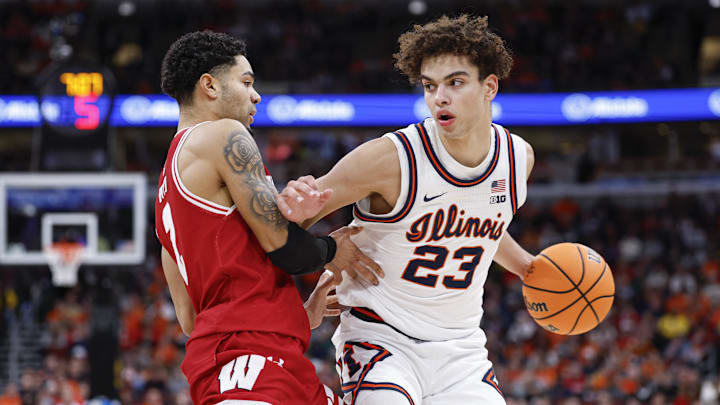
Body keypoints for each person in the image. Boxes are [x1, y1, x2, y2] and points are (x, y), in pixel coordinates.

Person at [283, 14, 536, 404]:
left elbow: (482, 222)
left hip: (462, 348)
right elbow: (282, 228)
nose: (440, 98)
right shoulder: (389, 159)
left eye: (455, 82)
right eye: (430, 86)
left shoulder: (518, 158)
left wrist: (526, 266)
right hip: (380, 338)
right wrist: (325, 251)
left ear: (490, 87)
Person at [154, 31, 382, 405]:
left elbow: (191, 319)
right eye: (246, 82)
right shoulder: (223, 134)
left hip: (250, 358)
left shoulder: (165, 199)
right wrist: (330, 249)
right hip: (250, 365)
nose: (256, 95)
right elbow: (287, 251)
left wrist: (294, 315)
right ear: (209, 86)